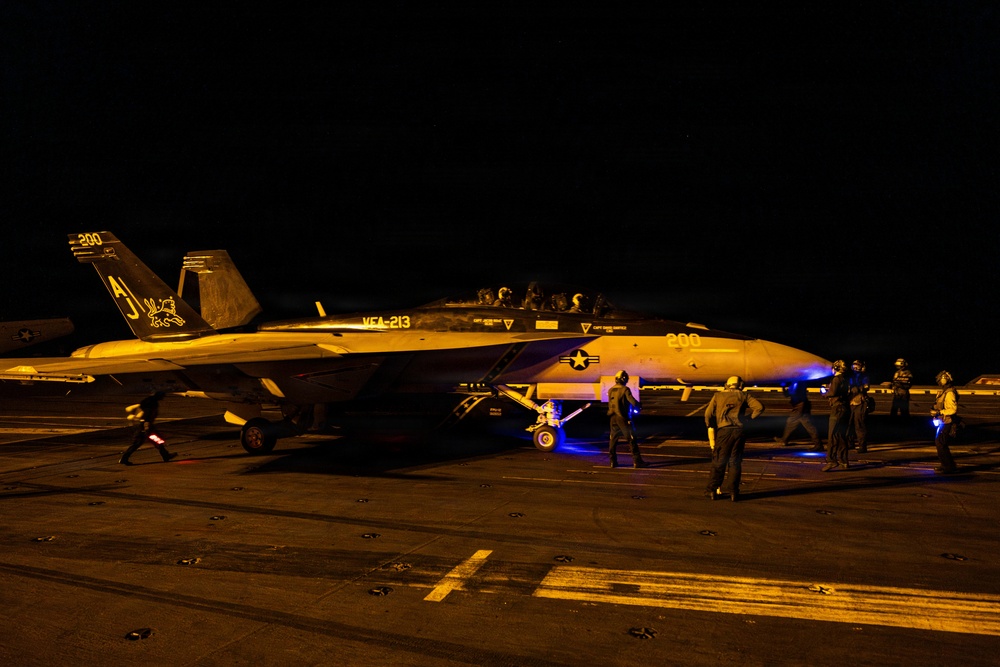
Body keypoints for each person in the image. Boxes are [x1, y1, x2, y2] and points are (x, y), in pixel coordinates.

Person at [704, 376, 764, 501]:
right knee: (735, 463)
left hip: (724, 432)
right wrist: (747, 419)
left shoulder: (717, 396)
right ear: (740, 385)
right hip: (739, 432)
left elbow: (708, 414)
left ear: (727, 384)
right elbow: (759, 408)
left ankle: (712, 490)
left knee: (719, 462)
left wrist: (710, 425)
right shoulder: (744, 395)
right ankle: (733, 492)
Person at [120, 391, 177, 465]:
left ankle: (165, 455)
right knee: (138, 443)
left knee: (157, 441)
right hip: (146, 427)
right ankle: (124, 458)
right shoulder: (152, 403)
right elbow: (147, 416)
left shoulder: (148, 401)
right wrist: (146, 427)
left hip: (146, 426)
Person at [607, 370, 647, 469]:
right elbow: (632, 401)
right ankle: (637, 462)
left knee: (613, 440)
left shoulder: (610, 389)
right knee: (631, 439)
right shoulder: (625, 389)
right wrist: (639, 406)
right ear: (624, 379)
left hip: (613, 418)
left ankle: (613, 461)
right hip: (623, 418)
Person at [773, 381, 822, 450]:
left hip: (800, 407)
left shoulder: (797, 383)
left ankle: (818, 444)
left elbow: (788, 394)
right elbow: (788, 394)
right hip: (800, 406)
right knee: (791, 422)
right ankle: (784, 439)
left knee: (809, 426)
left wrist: (783, 386)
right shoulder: (797, 382)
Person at [823, 360, 851, 471]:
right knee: (841, 435)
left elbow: (833, 393)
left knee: (833, 435)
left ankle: (831, 461)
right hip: (845, 408)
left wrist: (824, 394)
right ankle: (844, 461)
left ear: (836, 368)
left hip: (837, 409)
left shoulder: (836, 379)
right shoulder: (845, 379)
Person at [930, 370, 960, 474]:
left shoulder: (949, 393)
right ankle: (948, 465)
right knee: (941, 444)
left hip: (947, 422)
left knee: (940, 443)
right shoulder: (944, 392)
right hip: (942, 421)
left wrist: (939, 412)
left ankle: (948, 467)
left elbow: (952, 409)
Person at [848, 360, 870, 453]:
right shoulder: (850, 376)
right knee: (849, 424)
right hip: (850, 402)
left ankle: (862, 446)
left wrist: (858, 388)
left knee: (859, 425)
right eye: (854, 365)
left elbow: (866, 387)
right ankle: (850, 443)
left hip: (860, 402)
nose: (855, 367)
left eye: (857, 365)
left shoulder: (864, 376)